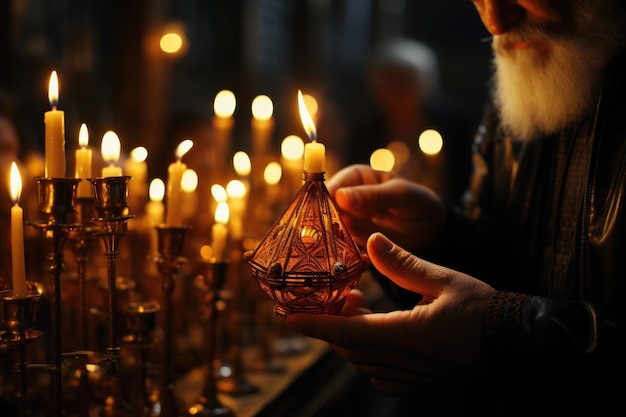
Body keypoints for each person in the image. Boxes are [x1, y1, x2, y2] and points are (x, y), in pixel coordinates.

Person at [284, 1, 626, 415]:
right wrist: (435, 236)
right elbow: (503, 258)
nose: (495, 20)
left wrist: (501, 330)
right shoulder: (514, 99)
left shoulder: (461, 116)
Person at [344, 37, 475, 203]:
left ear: (425, 84)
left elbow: (467, 181)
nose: (398, 93)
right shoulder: (364, 131)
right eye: (390, 84)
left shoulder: (455, 125)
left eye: (406, 83)